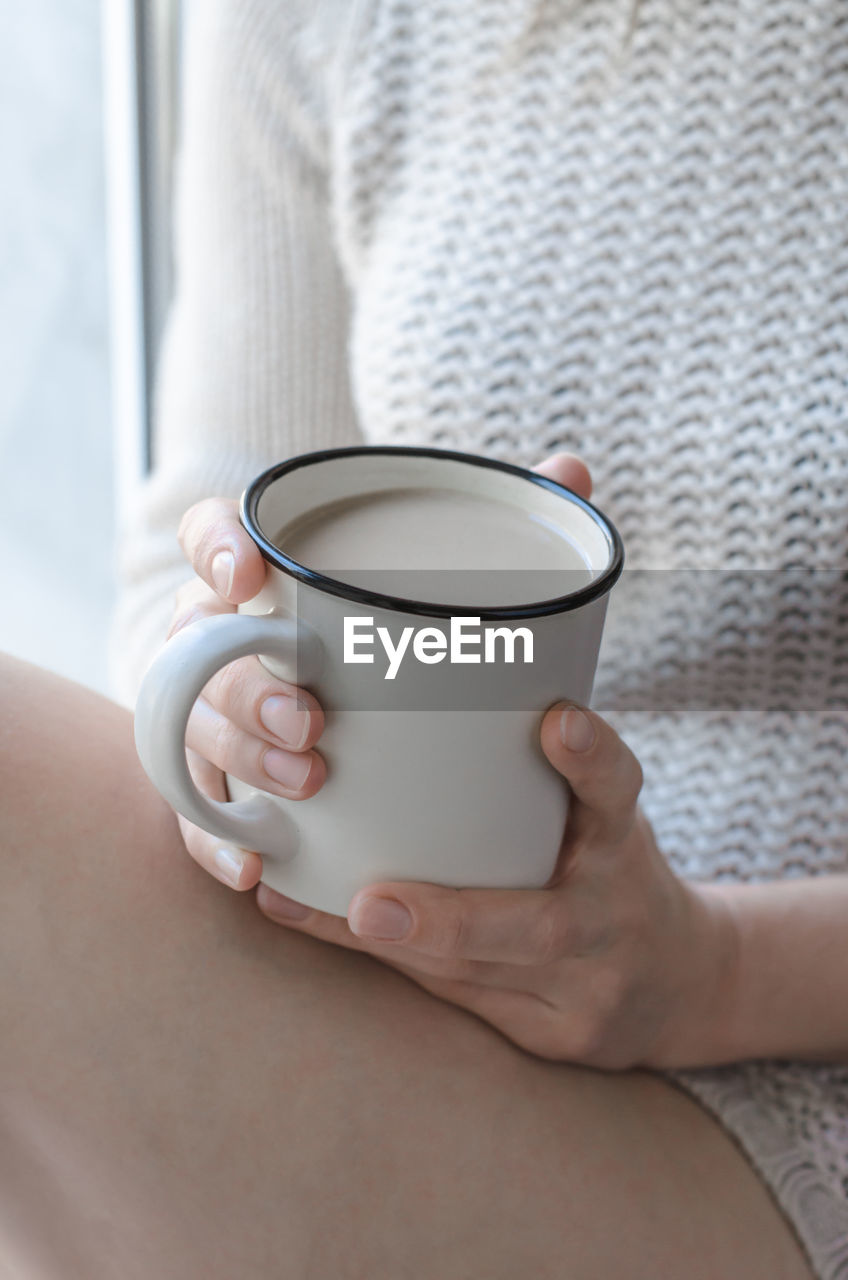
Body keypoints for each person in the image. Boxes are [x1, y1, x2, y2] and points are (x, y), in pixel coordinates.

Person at [3, 0, 846, 1275]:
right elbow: (187, 538)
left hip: (776, 1055)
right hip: (377, 939)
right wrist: (226, 714)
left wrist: (712, 970)